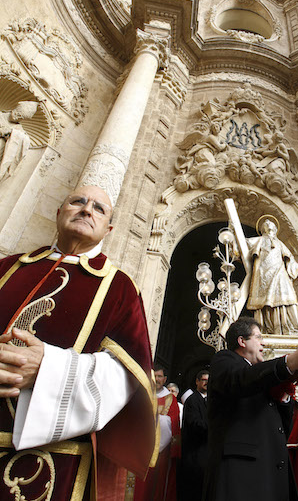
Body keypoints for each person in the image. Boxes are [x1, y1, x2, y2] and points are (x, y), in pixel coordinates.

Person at [0, 185, 157, 500]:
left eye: (99, 208)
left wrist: (47, 369)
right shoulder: (8, 268)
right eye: (78, 201)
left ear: (108, 229)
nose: (87, 209)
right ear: (59, 213)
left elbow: (128, 378)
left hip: (53, 459)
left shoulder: (120, 288)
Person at [203, 316, 298, 501]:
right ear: (242, 341)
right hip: (240, 473)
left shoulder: (261, 376)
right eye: (258, 337)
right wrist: (287, 363)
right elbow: (241, 379)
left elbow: (282, 428)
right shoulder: (225, 360)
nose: (263, 343)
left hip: (269, 469)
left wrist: (284, 396)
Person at [246, 216, 298, 334]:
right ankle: (270, 328)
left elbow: (290, 259)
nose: (268, 224)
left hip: (280, 273)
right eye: (265, 224)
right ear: (262, 229)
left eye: (271, 223)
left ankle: (292, 327)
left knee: (289, 299)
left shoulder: (279, 243)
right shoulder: (258, 240)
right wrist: (231, 233)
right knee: (266, 303)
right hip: (264, 275)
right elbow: (243, 243)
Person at [134, 364, 181, 501]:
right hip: (138, 449)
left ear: (165, 379)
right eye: (154, 376)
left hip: (161, 454)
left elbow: (174, 425)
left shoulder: (170, 400)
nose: (157, 379)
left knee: (154, 487)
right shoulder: (142, 393)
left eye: (159, 376)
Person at [179, 370, 209, 501]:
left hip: (207, 452)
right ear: (197, 381)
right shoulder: (192, 401)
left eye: (209, 381)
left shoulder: (212, 400)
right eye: (204, 380)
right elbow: (194, 424)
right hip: (194, 453)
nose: (207, 383)